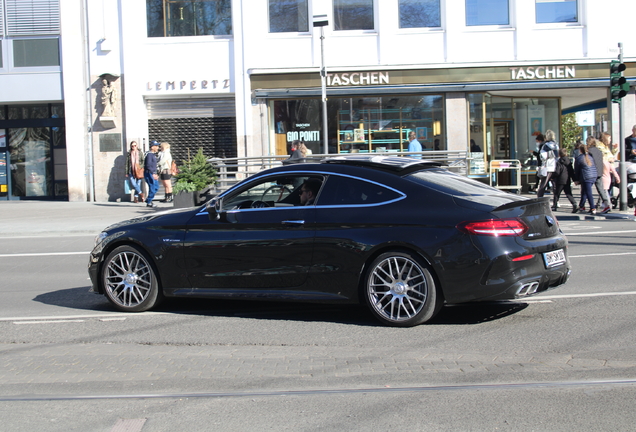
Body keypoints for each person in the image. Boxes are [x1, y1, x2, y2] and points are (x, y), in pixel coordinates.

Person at [587, 137, 611, 213]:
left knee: (587, 190)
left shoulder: (589, 151)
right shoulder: (599, 151)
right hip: (599, 172)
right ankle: (607, 204)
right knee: (601, 190)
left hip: (591, 172)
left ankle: (589, 207)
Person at [574, 144, 598, 214]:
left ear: (580, 150)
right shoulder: (590, 157)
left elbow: (576, 170)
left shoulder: (579, 158)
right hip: (593, 176)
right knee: (584, 191)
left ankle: (593, 207)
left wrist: (576, 180)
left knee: (588, 192)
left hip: (586, 177)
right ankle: (581, 205)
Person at [551, 148, 578, 213]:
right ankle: (574, 204)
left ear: (559, 154)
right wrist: (575, 180)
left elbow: (557, 172)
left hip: (560, 180)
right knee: (568, 193)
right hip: (567, 179)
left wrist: (552, 176)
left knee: (557, 194)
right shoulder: (568, 162)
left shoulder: (559, 162)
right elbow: (571, 172)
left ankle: (555, 205)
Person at [537, 130, 558, 197]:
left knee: (543, 184)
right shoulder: (556, 145)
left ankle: (539, 199)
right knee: (555, 185)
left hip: (547, 167)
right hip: (555, 166)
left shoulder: (545, 145)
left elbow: (543, 156)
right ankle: (556, 201)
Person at [144, 140, 160, 208]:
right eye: (156, 146)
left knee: (156, 187)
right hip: (149, 173)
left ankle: (148, 200)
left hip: (153, 173)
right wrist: (153, 173)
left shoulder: (153, 155)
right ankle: (149, 202)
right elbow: (148, 165)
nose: (158, 147)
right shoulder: (149, 155)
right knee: (152, 187)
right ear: (152, 147)